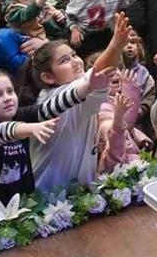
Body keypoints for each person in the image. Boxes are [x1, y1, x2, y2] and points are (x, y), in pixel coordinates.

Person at [28, 16, 130, 193]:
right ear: (48, 77)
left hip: (82, 195)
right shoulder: (55, 97)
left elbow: (100, 76)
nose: (75, 61)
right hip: (47, 197)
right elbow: (98, 73)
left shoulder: (82, 90)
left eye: (74, 55)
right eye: (64, 60)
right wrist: (116, 44)